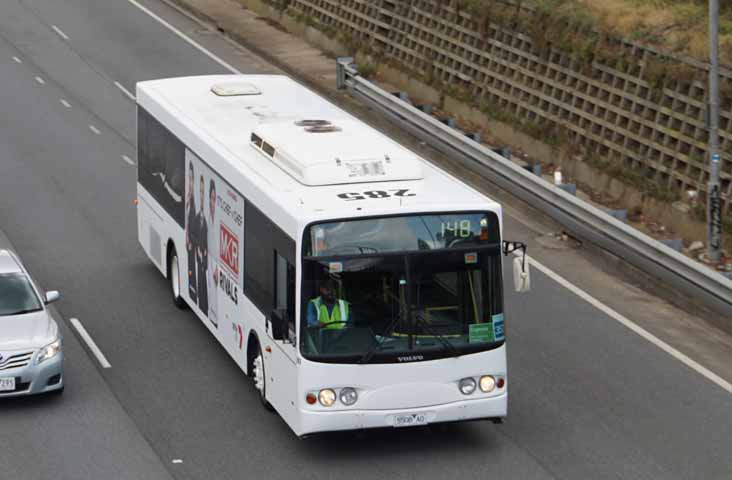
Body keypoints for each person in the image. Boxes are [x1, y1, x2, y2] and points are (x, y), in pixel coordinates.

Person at [195, 174, 209, 315]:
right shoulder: (197, 217)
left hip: (205, 265)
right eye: (200, 191)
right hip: (199, 261)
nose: (202, 195)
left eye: (203, 192)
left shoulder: (207, 221)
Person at [185, 160, 198, 303]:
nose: (190, 182)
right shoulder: (187, 200)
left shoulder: (194, 204)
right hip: (188, 244)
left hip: (192, 246)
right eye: (189, 178)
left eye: (192, 179)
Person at [206, 179, 218, 326]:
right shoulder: (209, 222)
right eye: (211, 199)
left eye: (215, 200)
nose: (213, 203)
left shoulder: (218, 222)